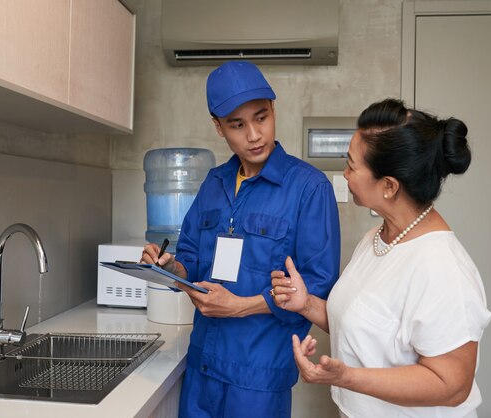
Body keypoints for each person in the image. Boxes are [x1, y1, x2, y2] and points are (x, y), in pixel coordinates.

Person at [140, 61, 341, 418]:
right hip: (202, 366)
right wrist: (169, 266)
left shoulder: (309, 188)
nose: (254, 135)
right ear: (218, 128)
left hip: (258, 376)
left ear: (274, 110)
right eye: (237, 124)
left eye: (261, 117)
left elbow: (317, 286)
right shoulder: (214, 183)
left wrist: (241, 306)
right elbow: (190, 256)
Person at [270, 98, 491, 418]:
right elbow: (369, 331)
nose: (345, 174)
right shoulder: (376, 240)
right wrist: (305, 303)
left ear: (388, 186)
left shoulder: (442, 267)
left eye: (351, 165)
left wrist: (346, 376)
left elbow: (453, 385)